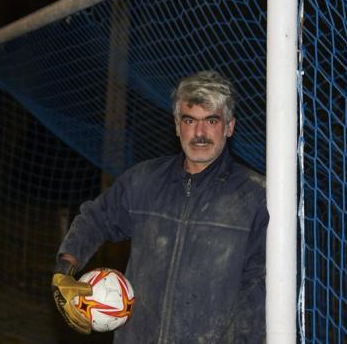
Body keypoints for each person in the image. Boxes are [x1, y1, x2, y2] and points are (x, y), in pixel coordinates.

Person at [52, 70, 268, 343]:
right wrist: (65, 269)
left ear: (229, 126)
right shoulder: (144, 180)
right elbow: (96, 217)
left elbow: (260, 288)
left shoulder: (257, 196)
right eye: (190, 120)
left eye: (211, 120)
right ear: (177, 126)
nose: (199, 133)